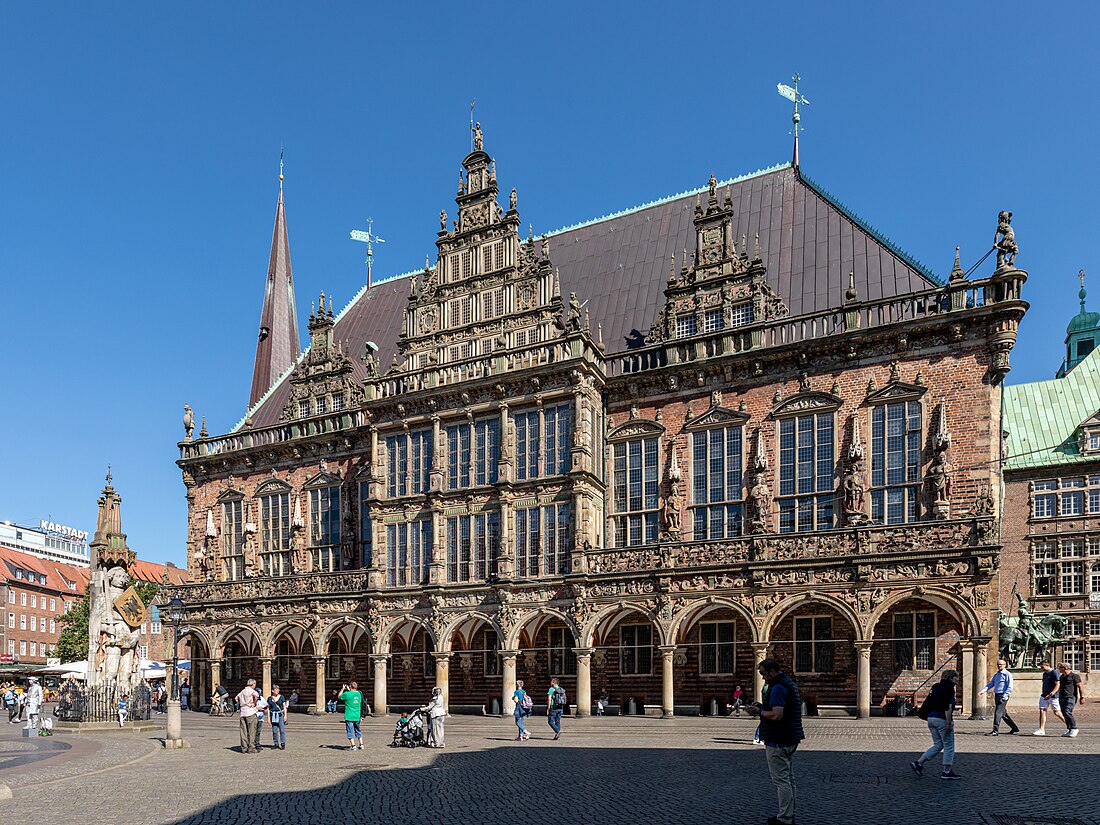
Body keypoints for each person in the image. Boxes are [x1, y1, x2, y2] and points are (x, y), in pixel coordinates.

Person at [745, 658, 804, 825]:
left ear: (772, 671)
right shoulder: (786, 683)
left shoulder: (777, 687)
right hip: (790, 737)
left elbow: (777, 715)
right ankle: (789, 814)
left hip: (779, 739)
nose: (763, 678)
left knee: (781, 780)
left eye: (764, 674)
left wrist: (758, 711)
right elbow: (777, 709)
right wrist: (762, 706)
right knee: (788, 778)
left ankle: (785, 819)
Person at [910, 669, 962, 780]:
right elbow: (947, 707)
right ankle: (946, 772)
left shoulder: (936, 686)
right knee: (949, 746)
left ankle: (919, 763)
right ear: (950, 678)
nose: (958, 679)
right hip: (942, 719)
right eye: (956, 677)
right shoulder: (949, 688)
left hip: (931, 718)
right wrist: (948, 723)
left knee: (938, 744)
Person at [979, 658, 1020, 735]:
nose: (999, 666)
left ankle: (995, 730)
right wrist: (983, 691)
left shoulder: (1007, 674)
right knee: (1003, 713)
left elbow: (1010, 686)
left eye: (1001, 664)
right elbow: (991, 683)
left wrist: (1006, 695)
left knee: (998, 712)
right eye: (998, 664)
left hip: (1003, 694)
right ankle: (1014, 728)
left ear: (1005, 665)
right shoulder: (997, 674)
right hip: (997, 694)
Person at [1034, 661, 1065, 735]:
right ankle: (1041, 729)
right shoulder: (1045, 674)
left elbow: (1057, 684)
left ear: (1047, 665)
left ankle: (1070, 725)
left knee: (1057, 712)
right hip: (1044, 695)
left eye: (1042, 667)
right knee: (1042, 710)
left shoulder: (1055, 672)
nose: (1042, 669)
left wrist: (1051, 694)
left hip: (1053, 696)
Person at [1057, 661, 1086, 737]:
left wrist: (1082, 697)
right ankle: (1069, 729)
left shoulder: (1074, 676)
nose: (1059, 669)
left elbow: (1080, 686)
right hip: (1062, 697)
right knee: (1064, 713)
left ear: (1065, 668)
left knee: (1067, 711)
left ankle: (1074, 728)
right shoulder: (1062, 677)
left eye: (1060, 667)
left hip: (1071, 696)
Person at [235, 678, 261, 754]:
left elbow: (236, 698)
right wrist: (254, 703)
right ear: (253, 684)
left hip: (242, 713)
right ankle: (251, 748)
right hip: (250, 712)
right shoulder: (252, 691)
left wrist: (241, 703)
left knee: (243, 731)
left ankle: (244, 748)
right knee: (252, 731)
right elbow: (257, 696)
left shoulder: (242, 691)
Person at [340, 681, 364, 750]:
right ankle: (361, 744)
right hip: (357, 716)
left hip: (349, 716)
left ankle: (353, 746)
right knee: (358, 730)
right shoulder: (359, 694)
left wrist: (343, 689)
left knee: (350, 731)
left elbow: (339, 696)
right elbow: (354, 693)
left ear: (350, 686)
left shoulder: (347, 694)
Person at [268, 685, 288, 750]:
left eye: (278, 689)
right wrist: (268, 718)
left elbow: (284, 706)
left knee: (282, 730)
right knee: (274, 730)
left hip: (279, 715)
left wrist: (285, 715)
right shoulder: (270, 698)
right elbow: (268, 708)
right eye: (276, 689)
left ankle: (283, 743)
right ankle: (276, 743)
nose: (277, 691)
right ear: (272, 690)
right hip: (273, 715)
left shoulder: (281, 697)